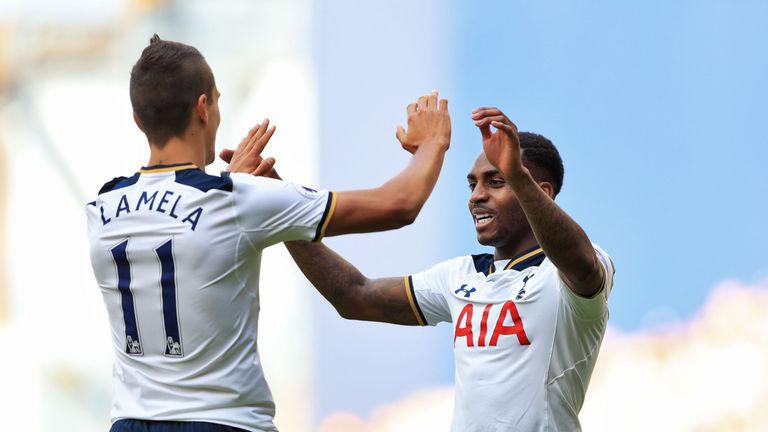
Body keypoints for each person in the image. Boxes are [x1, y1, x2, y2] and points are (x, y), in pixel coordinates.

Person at [85, 34, 451, 432]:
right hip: (225, 424)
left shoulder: (101, 208)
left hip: (130, 423)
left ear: (139, 120)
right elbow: (398, 204)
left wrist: (231, 186)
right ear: (203, 108)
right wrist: (433, 142)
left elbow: (182, 219)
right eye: (218, 99)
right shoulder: (238, 198)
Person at [280, 107, 615, 431]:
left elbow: (580, 264)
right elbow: (355, 295)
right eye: (473, 185)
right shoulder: (458, 276)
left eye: (495, 182)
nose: (477, 197)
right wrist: (281, 213)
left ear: (541, 192)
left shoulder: (568, 272)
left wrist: (516, 173)